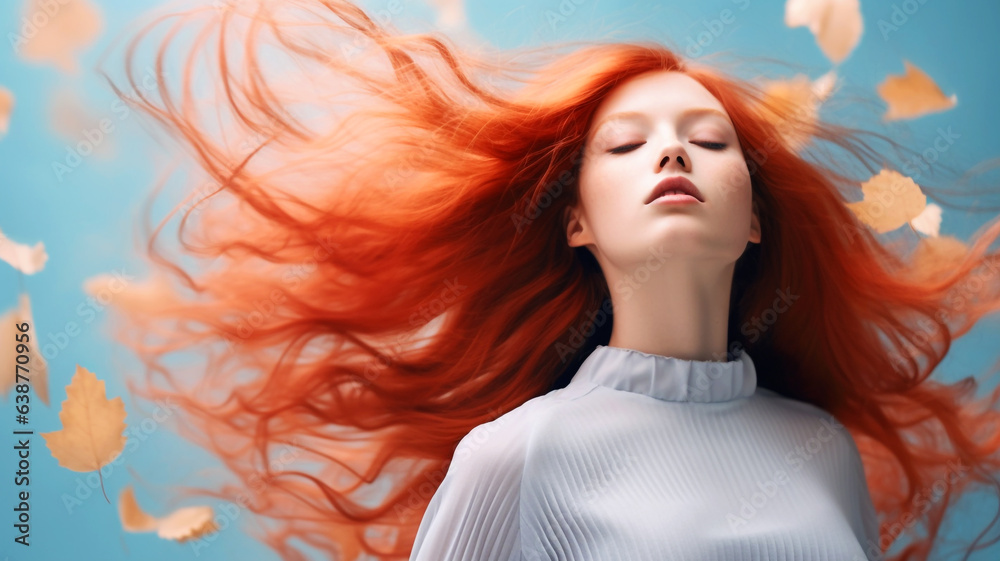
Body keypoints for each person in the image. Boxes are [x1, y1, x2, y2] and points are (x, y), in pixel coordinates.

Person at [101, 1, 1000, 560]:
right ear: (576, 221)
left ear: (754, 217)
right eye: (625, 144)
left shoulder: (821, 450)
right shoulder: (517, 455)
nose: (673, 149)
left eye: (711, 139)